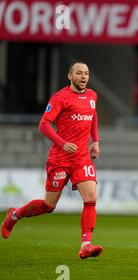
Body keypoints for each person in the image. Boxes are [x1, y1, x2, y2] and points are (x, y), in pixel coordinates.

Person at [1, 62, 103, 260]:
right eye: (79, 73)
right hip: (60, 158)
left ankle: (86, 244)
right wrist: (63, 143)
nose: (84, 76)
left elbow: (93, 115)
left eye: (86, 73)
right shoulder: (59, 98)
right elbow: (44, 125)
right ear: (70, 76)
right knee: (49, 206)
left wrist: (96, 141)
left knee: (90, 199)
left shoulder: (92, 96)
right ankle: (15, 215)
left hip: (81, 157)